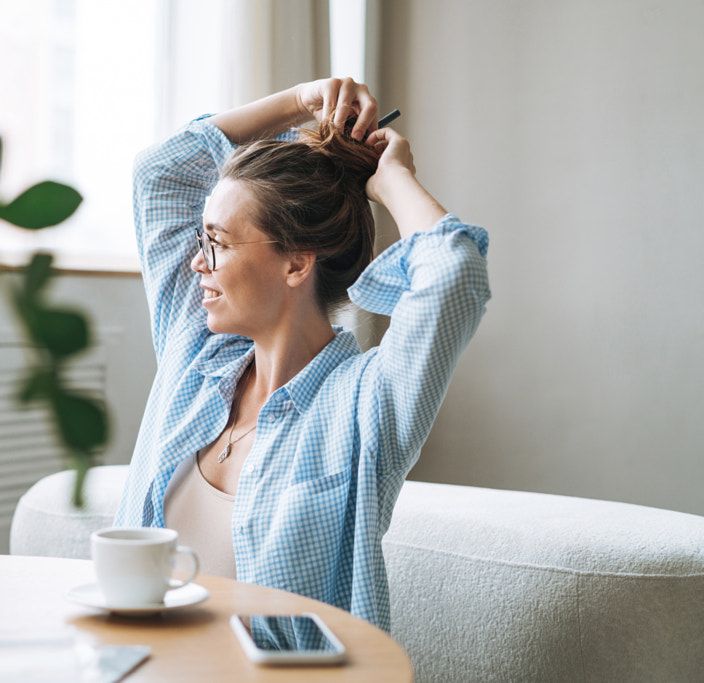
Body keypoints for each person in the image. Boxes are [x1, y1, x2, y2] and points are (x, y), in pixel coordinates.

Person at [113, 77, 490, 631]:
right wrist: (302, 101)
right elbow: (159, 176)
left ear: (296, 263)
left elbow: (454, 275)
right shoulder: (193, 353)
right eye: (201, 241)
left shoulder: (366, 405)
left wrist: (395, 180)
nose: (199, 262)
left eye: (217, 242)